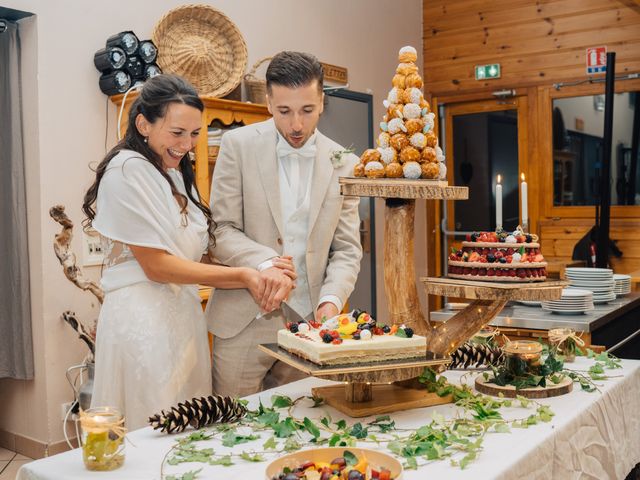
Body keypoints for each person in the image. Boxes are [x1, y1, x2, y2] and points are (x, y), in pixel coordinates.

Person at [82, 74, 294, 429]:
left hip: (182, 316)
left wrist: (264, 263)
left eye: (194, 134)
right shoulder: (127, 170)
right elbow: (158, 266)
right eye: (177, 132)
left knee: (186, 421)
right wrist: (243, 276)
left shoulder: (173, 173)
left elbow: (196, 253)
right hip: (142, 318)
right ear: (143, 124)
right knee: (151, 421)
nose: (187, 144)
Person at [206, 51, 363, 397]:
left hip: (310, 324)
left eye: (307, 110)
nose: (296, 125)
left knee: (300, 426)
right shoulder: (238, 146)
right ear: (268, 104)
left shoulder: (345, 162)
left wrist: (332, 301)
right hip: (242, 320)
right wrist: (266, 263)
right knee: (232, 430)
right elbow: (220, 230)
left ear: (322, 102)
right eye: (284, 111)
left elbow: (347, 249)